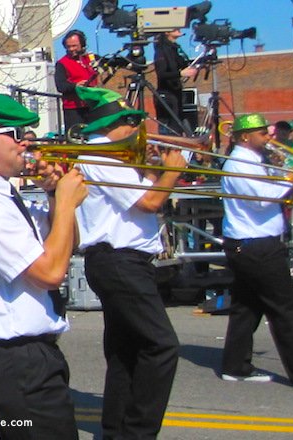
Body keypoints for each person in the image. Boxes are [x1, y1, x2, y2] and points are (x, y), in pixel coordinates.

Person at [0, 94, 87, 439]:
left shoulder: (2, 195)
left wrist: (55, 195)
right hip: (18, 361)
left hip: (32, 356)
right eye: (15, 132)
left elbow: (70, 242)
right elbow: (50, 273)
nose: (25, 141)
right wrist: (67, 203)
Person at [74, 87, 186, 439]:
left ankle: (116, 429)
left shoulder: (117, 157)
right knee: (162, 345)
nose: (138, 130)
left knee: (126, 352)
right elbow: (150, 203)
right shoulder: (102, 156)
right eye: (131, 123)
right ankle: (137, 432)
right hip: (119, 261)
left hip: (123, 261)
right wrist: (172, 170)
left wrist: (153, 168)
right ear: (114, 125)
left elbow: (146, 194)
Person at [219, 113, 293, 389]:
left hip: (252, 243)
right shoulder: (239, 164)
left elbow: (274, 195)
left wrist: (288, 179)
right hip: (256, 245)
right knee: (285, 308)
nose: (269, 137)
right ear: (245, 136)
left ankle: (236, 366)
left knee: (247, 307)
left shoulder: (255, 161)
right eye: (262, 133)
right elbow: (261, 199)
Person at [153, 28, 198, 135]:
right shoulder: (161, 50)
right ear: (166, 32)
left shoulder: (174, 49)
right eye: (175, 28)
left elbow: (183, 64)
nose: (179, 29)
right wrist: (181, 74)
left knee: (178, 127)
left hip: (176, 94)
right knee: (171, 128)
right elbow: (161, 74)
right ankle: (168, 150)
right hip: (166, 95)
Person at [54, 29, 99, 132]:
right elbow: (60, 86)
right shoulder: (62, 63)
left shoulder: (91, 59)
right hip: (74, 110)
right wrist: (76, 86)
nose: (71, 49)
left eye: (74, 46)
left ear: (82, 44)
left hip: (92, 105)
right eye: (68, 47)